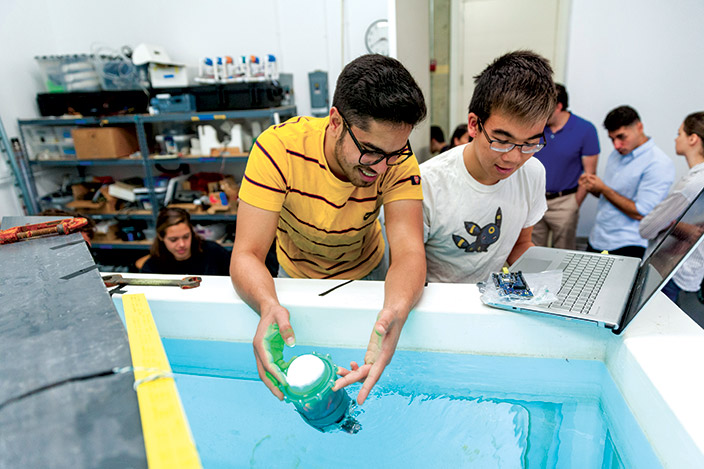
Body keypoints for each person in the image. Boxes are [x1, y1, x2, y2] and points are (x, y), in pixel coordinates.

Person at [230, 54, 427, 405]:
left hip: (369, 271)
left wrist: (395, 310)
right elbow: (246, 253)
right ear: (335, 121)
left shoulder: (399, 159)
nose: (382, 168)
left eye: (394, 154)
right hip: (295, 275)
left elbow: (409, 250)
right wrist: (266, 304)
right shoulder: (277, 150)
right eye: (370, 151)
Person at [421, 50, 555, 283]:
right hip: (436, 302)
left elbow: (520, 244)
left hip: (490, 297)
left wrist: (549, 283)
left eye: (530, 144)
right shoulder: (428, 182)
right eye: (502, 141)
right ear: (473, 125)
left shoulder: (532, 172)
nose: (514, 158)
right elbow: (409, 265)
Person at [580, 106, 675, 258]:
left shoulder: (658, 163)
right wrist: (594, 187)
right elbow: (613, 196)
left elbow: (641, 213)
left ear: (639, 127)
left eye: (621, 137)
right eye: (612, 139)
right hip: (598, 238)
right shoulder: (616, 155)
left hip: (628, 244)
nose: (616, 145)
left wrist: (603, 189)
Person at [639, 111, 704, 303]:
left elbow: (647, 228)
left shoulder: (693, 184)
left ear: (692, 138)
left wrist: (670, 223)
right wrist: (680, 226)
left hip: (672, 274)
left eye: (679, 134)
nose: (676, 139)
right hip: (690, 272)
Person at [532, 84, 600, 249]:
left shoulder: (585, 129)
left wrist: (574, 204)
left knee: (564, 253)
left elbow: (590, 174)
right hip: (534, 200)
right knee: (532, 251)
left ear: (559, 106)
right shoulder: (535, 127)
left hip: (565, 202)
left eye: (544, 107)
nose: (539, 111)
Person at [141, 207, 230, 275]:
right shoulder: (152, 267)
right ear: (161, 237)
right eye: (173, 239)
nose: (182, 244)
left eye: (186, 237)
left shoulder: (214, 252)